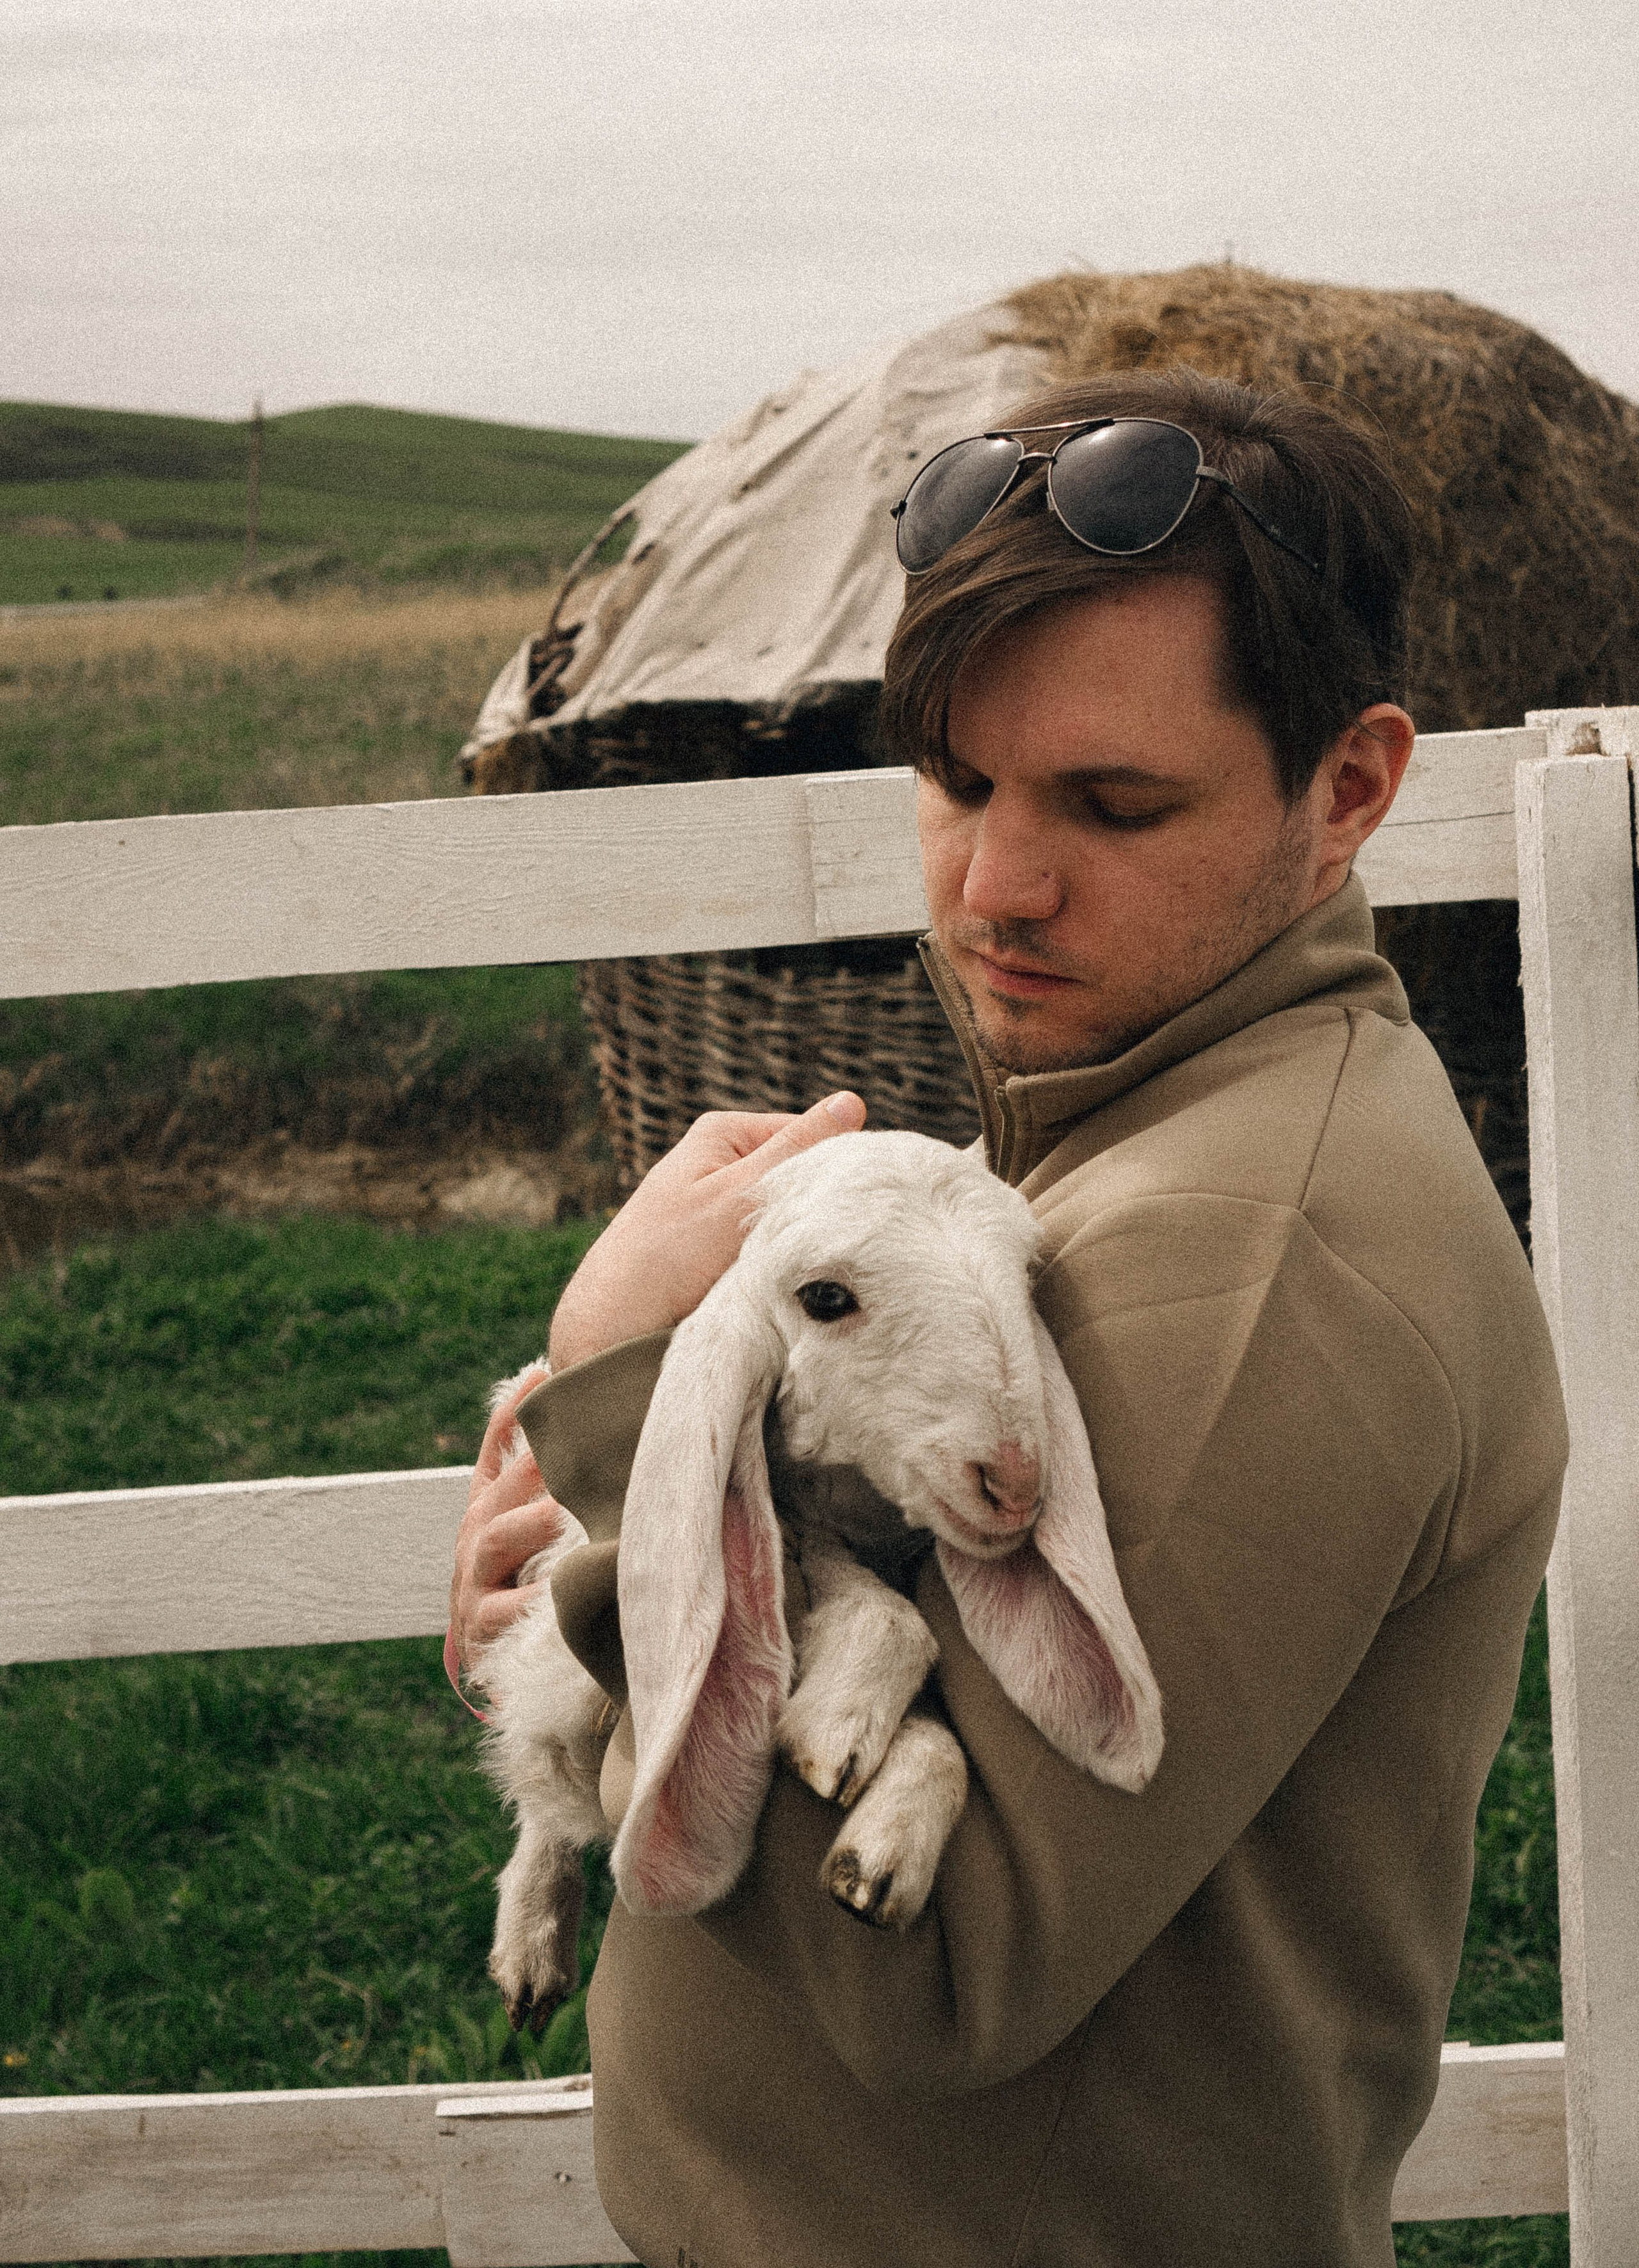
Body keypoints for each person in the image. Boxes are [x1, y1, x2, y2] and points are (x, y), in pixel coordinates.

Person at [449, 371, 1567, 2268]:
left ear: (1356, 787)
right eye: (960, 780)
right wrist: (586, 1584)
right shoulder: (1124, 1127)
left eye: (1117, 804)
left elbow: (934, 1973)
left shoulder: (1252, 1251)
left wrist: (633, 1401)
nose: (995, 884)